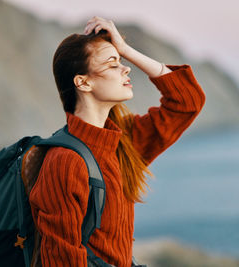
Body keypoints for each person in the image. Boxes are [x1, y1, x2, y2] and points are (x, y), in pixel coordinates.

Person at [27, 16, 206, 267]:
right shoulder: (65, 162)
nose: (126, 68)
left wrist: (124, 49)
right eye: (113, 65)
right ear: (83, 82)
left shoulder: (122, 141)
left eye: (121, 62)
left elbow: (188, 102)